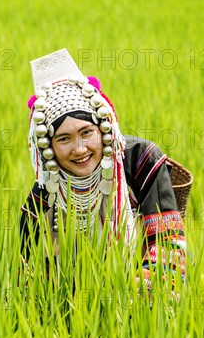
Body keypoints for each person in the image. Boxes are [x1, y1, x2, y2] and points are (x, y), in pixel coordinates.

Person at [20, 49, 187, 290]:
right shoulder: (46, 192)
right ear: (48, 148)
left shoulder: (140, 159)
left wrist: (128, 295)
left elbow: (167, 244)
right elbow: (32, 269)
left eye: (86, 133)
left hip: (143, 296)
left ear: (103, 129)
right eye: (64, 139)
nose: (79, 149)